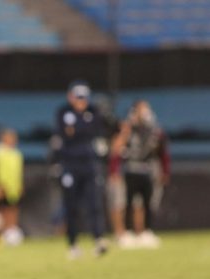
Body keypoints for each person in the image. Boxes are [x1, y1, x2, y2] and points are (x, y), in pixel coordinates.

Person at [53, 80, 109, 259]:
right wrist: (80, 128)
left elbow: (94, 131)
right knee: (71, 207)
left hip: (89, 165)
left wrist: (78, 129)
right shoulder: (64, 112)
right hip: (70, 165)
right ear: (70, 97)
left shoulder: (93, 112)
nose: (81, 102)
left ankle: (98, 239)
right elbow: (68, 134)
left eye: (84, 98)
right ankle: (73, 244)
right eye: (78, 98)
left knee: (94, 203)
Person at [121, 99, 170, 248]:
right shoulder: (128, 127)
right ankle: (127, 232)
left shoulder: (153, 129)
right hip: (131, 169)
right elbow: (117, 146)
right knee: (129, 202)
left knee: (147, 203)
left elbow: (162, 150)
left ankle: (146, 232)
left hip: (146, 170)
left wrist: (165, 170)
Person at [0, 129, 24, 246]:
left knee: (13, 211)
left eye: (13, 138)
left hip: (13, 189)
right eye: (9, 138)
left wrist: (20, 185)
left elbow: (18, 172)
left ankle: (11, 235)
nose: (12, 140)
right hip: (1, 188)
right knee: (2, 213)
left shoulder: (17, 154)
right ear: (3, 138)